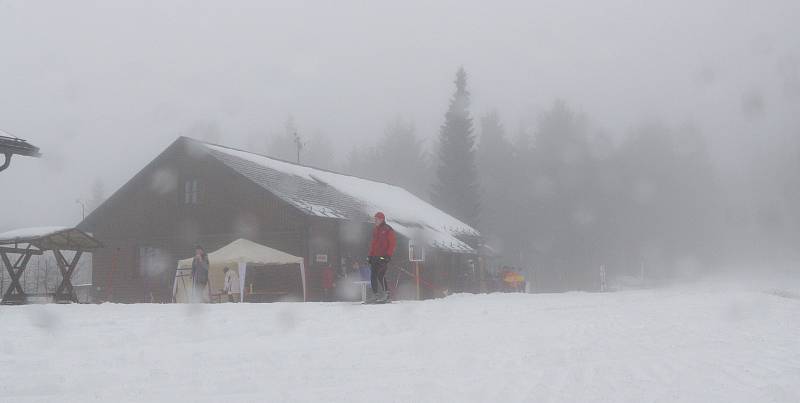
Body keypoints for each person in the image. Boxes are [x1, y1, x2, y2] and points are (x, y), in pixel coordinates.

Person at [367, 211, 396, 303]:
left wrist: (388, 255)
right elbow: (373, 244)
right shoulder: (375, 230)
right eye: (374, 219)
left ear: (382, 219)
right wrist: (370, 255)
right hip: (375, 256)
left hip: (383, 257)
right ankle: (375, 295)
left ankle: (386, 294)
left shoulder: (388, 229)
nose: (375, 221)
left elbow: (392, 244)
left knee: (381, 275)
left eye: (376, 219)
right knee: (373, 276)